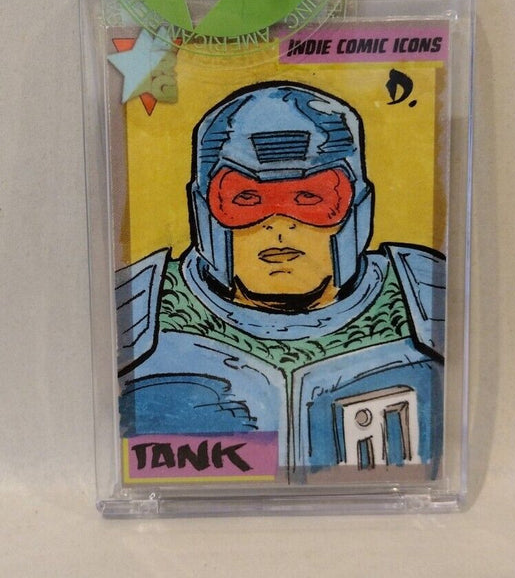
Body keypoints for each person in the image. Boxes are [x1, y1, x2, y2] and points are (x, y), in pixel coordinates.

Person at [116, 81, 445, 479]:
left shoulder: (425, 303)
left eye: (310, 198)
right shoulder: (138, 315)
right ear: (205, 209)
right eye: (246, 199)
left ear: (356, 205)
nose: (279, 225)